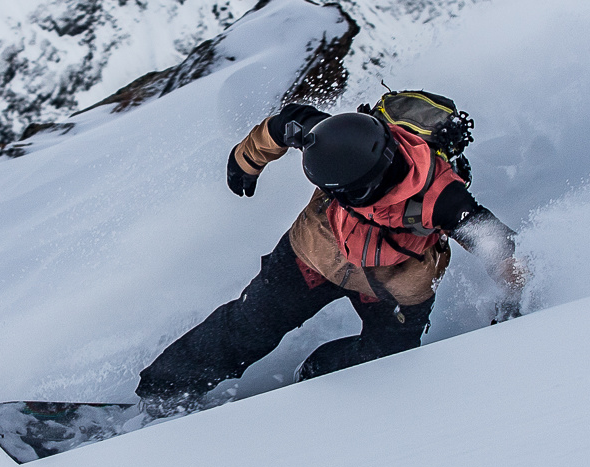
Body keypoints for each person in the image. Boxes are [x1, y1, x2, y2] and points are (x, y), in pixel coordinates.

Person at [138, 96, 528, 408]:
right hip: (316, 252)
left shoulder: (441, 197)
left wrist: (514, 301)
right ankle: (164, 391)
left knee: (386, 360)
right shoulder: (333, 135)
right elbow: (287, 122)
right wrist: (246, 160)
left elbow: (496, 242)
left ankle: (319, 376)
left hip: (395, 285)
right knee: (251, 323)